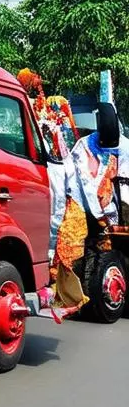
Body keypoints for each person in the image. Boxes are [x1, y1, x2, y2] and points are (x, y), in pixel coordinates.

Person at [44, 103, 129, 320]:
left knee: (111, 249)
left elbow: (125, 184)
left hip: (112, 208)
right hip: (81, 201)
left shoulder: (125, 147)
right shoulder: (84, 146)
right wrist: (102, 219)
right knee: (70, 242)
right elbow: (86, 186)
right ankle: (65, 295)